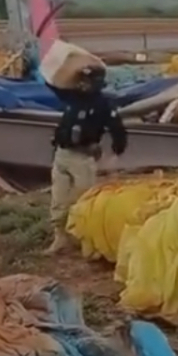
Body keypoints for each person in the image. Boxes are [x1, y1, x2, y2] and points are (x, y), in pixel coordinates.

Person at [45, 66, 128, 254]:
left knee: (82, 200)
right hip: (62, 153)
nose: (82, 84)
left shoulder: (102, 105)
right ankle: (60, 238)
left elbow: (117, 129)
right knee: (59, 199)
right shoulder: (72, 98)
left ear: (96, 83)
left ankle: (85, 239)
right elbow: (53, 84)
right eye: (81, 80)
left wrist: (116, 152)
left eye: (87, 81)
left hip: (82, 157)